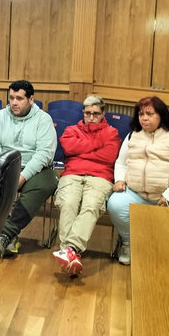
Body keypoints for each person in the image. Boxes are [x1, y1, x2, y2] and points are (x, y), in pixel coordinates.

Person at [107, 96, 169, 265]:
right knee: (115, 204)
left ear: (161, 115)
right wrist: (119, 179)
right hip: (138, 193)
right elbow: (121, 162)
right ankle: (128, 242)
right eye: (141, 114)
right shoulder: (133, 135)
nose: (144, 118)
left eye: (150, 114)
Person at [0, 80, 58, 258]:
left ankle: (5, 233)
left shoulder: (43, 119)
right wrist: (4, 172)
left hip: (35, 167)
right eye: (11, 98)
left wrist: (23, 176)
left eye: (19, 98)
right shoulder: (0, 116)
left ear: (31, 99)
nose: (14, 102)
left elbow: (44, 153)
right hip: (3, 165)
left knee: (43, 186)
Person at [52, 95, 120, 276]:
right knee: (68, 204)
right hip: (72, 174)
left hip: (100, 177)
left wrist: (82, 148)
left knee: (91, 206)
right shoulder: (71, 129)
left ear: (102, 113)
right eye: (88, 113)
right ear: (83, 112)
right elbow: (69, 148)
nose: (91, 117)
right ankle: (70, 255)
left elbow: (109, 157)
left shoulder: (111, 132)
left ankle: (69, 249)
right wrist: (97, 144)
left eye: (95, 114)